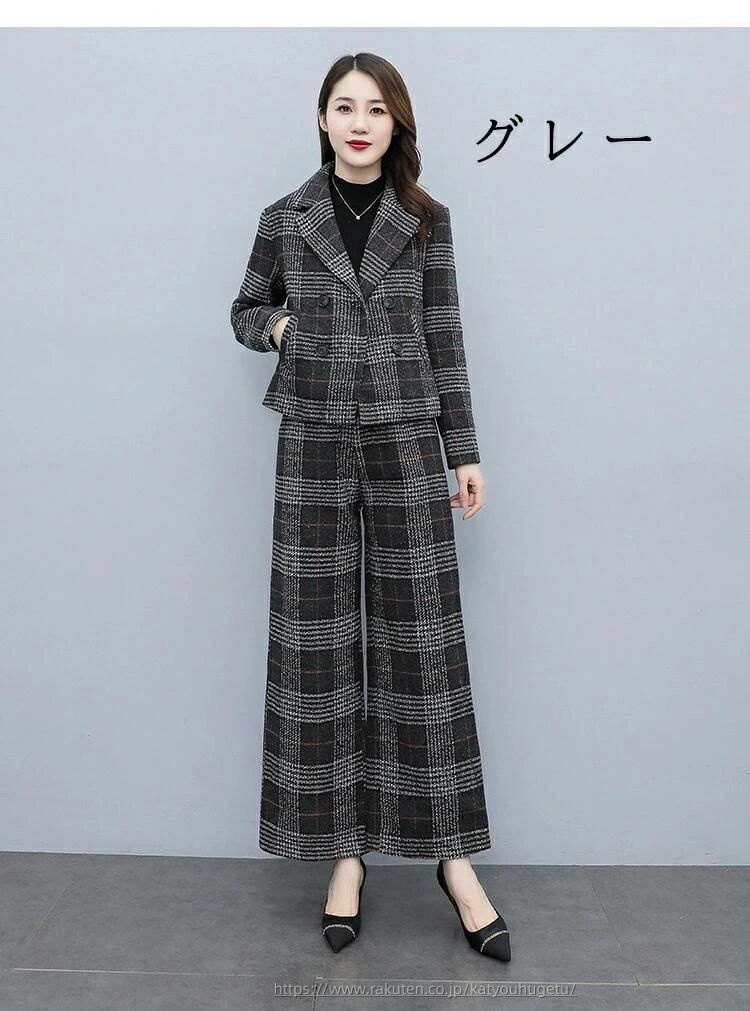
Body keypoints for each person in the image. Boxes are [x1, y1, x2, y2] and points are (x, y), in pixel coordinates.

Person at [230, 52, 510, 962]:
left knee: (423, 645)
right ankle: (342, 854)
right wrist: (278, 325)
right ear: (322, 118)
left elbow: (445, 336)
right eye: (345, 107)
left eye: (377, 109)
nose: (360, 123)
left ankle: (454, 861)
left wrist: (463, 450)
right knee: (316, 647)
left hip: (405, 433)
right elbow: (245, 308)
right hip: (312, 433)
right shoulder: (286, 216)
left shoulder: (426, 220)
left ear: (397, 124)